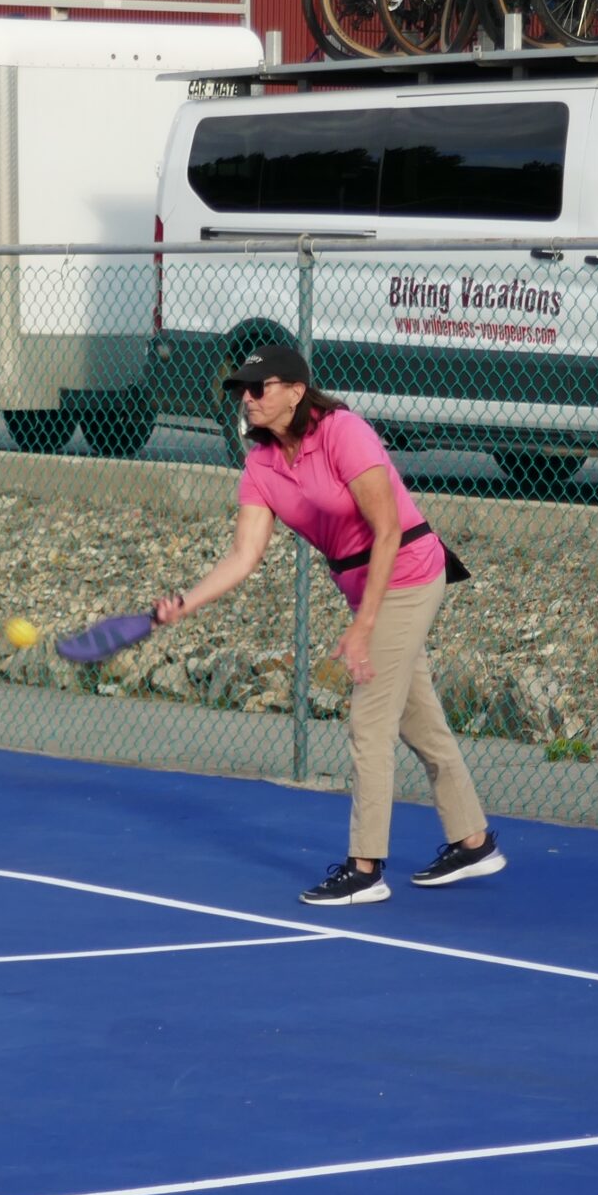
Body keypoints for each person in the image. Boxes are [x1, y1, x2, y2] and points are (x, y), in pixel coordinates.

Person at [153, 344, 504, 906]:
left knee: (369, 722)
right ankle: (474, 841)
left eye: (258, 387)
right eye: (241, 390)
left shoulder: (343, 432)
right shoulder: (261, 465)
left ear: (295, 391)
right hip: (364, 588)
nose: (247, 398)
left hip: (410, 572)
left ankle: (365, 869)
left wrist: (363, 628)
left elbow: (387, 529)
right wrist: (183, 603)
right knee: (417, 720)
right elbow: (243, 557)